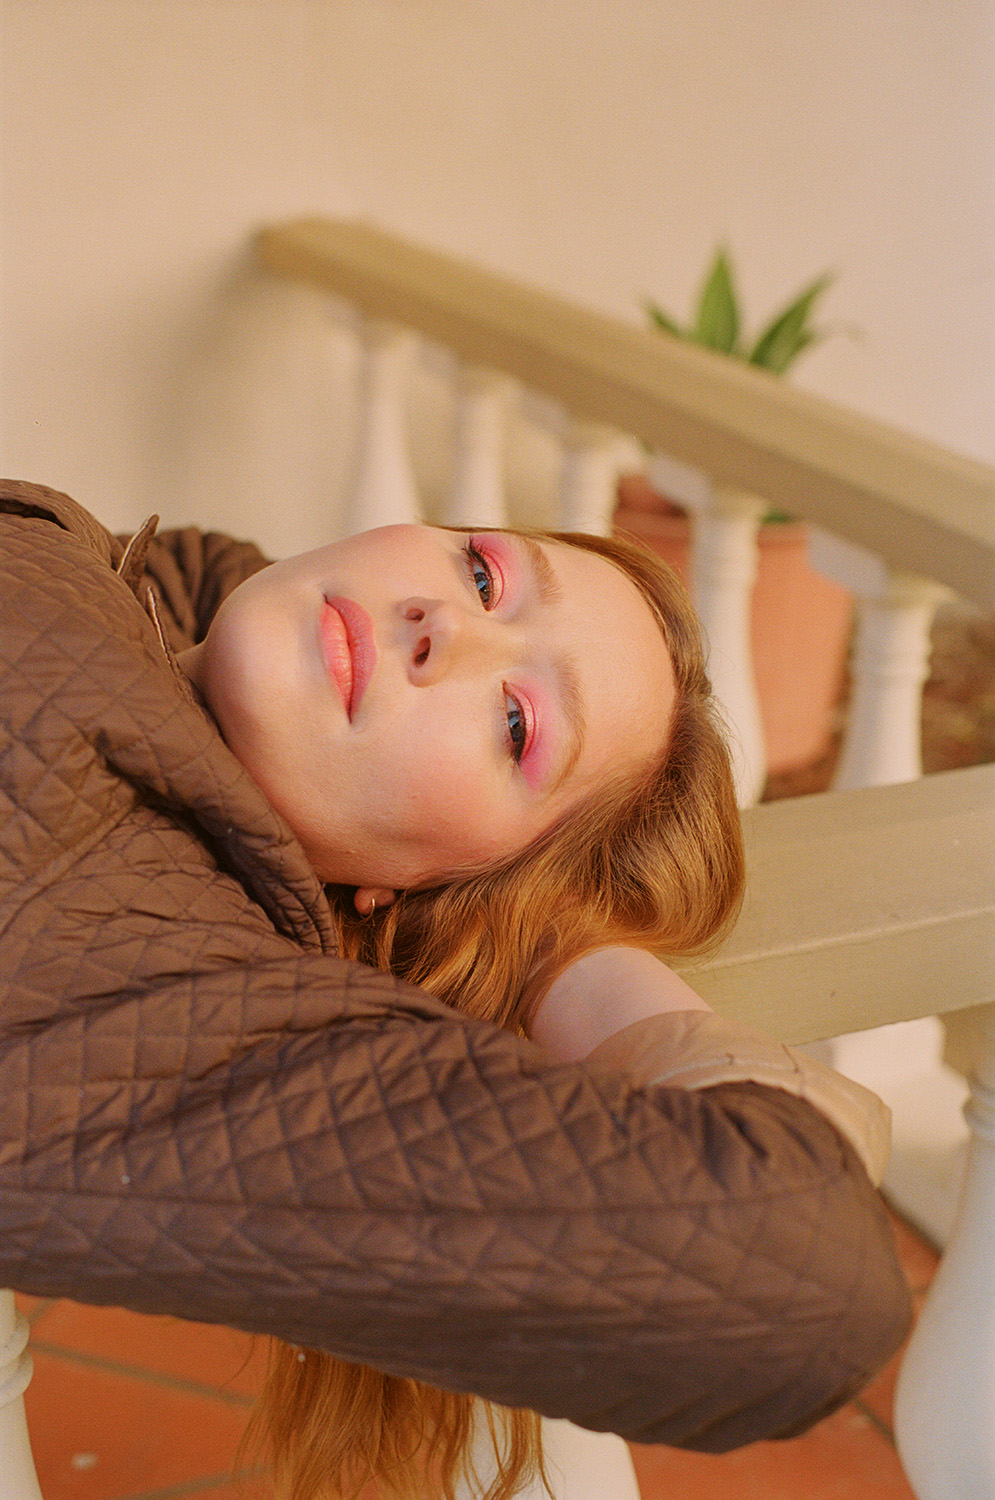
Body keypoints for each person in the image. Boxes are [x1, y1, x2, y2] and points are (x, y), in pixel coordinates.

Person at [0, 480, 910, 1500]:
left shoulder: (144, 979)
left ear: (421, 883)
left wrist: (555, 958)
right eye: (483, 574)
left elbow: (786, 1270)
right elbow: (215, 565)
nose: (445, 631)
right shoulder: (145, 612)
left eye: (517, 728)